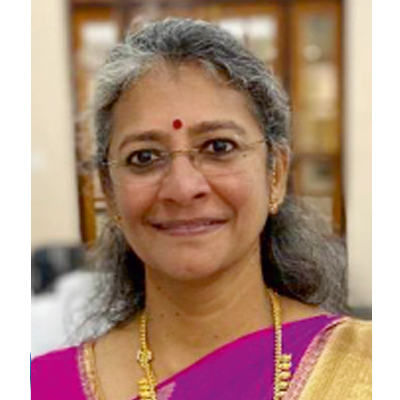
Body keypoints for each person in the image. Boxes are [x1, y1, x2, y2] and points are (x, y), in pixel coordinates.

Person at [31, 18, 371, 400]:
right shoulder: (42, 387)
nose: (183, 188)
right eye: (144, 156)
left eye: (218, 147)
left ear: (275, 174)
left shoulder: (367, 369)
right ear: (109, 192)